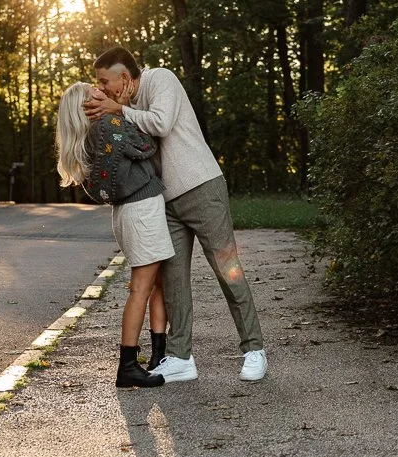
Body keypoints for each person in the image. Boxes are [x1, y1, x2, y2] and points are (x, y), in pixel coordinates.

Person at [85, 47, 267, 383]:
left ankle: (254, 349)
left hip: (202, 188)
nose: (102, 88)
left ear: (124, 77)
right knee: (173, 282)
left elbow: (161, 123)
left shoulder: (160, 79)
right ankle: (181, 356)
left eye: (103, 81)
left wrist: (120, 109)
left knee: (228, 270)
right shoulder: (122, 108)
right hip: (165, 201)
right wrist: (115, 111)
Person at [55, 82, 172, 389]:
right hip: (141, 210)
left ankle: (159, 355)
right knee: (141, 288)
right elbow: (148, 145)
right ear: (85, 105)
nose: (99, 89)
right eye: (92, 90)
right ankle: (128, 366)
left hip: (131, 211)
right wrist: (124, 108)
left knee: (155, 284)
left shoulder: (98, 130)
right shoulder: (108, 124)